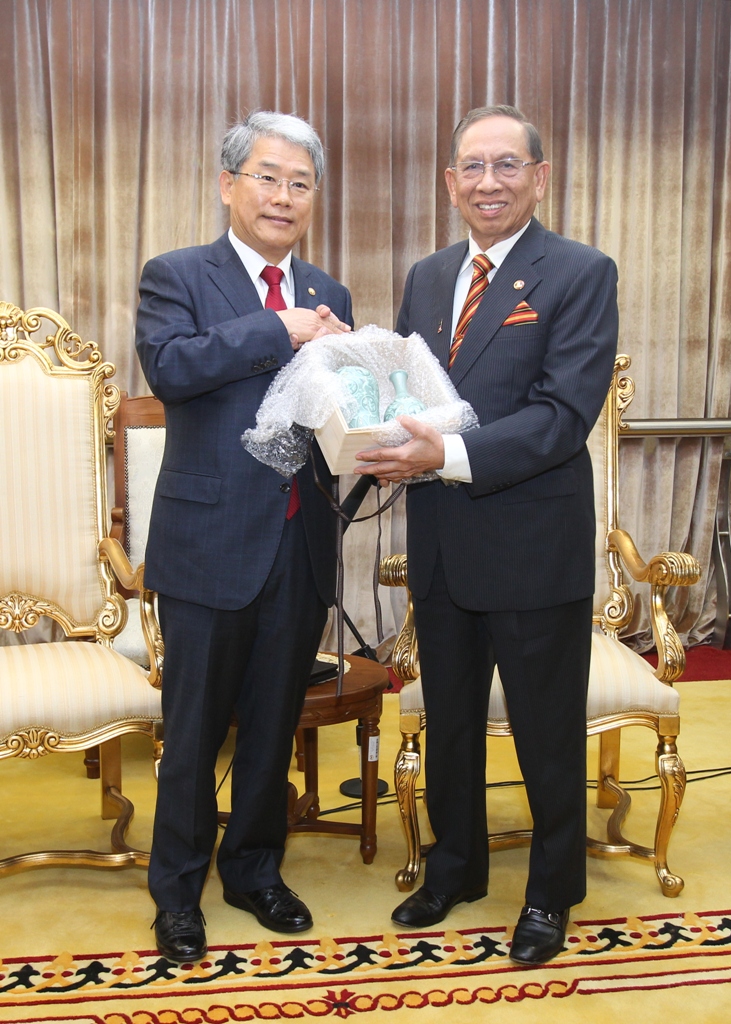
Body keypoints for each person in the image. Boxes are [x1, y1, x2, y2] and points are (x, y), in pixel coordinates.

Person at [355, 105, 618, 965]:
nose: (488, 182)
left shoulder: (580, 272)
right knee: (453, 724)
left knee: (546, 733)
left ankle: (551, 893)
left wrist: (448, 454)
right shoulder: (428, 275)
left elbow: (561, 415)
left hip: (532, 546)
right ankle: (456, 868)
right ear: (450, 182)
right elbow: (413, 395)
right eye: (472, 166)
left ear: (540, 177)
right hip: (441, 543)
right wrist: (375, 440)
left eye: (507, 165)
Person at [136, 110, 352, 963]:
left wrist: (373, 426)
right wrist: (278, 329)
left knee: (271, 727)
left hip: (300, 544)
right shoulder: (176, 275)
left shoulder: (331, 291)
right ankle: (176, 893)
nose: (284, 197)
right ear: (229, 185)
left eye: (301, 183)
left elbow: (332, 418)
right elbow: (171, 368)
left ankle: (255, 871)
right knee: (192, 733)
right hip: (207, 544)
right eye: (268, 177)